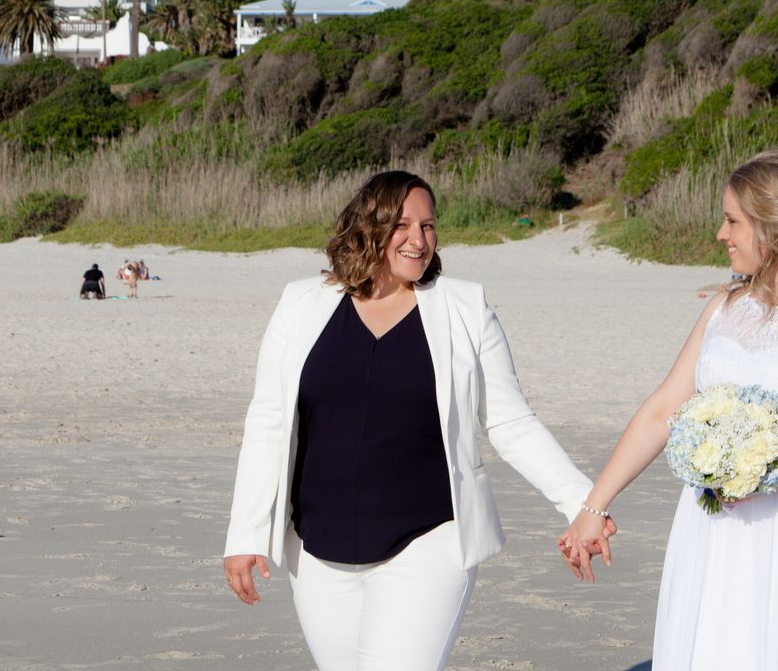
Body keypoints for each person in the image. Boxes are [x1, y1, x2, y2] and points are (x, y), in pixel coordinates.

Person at [223, 170, 602, 671]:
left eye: (428, 226)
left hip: (428, 543)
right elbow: (268, 422)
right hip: (316, 550)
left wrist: (584, 502)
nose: (418, 240)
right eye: (403, 225)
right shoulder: (302, 304)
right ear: (368, 225)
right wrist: (244, 534)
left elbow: (511, 423)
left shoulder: (464, 309)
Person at [558, 149, 778, 671]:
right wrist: (593, 507)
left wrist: (775, 477)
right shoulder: (721, 310)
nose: (721, 234)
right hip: (710, 526)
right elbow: (663, 410)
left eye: (733, 220)